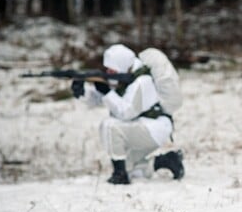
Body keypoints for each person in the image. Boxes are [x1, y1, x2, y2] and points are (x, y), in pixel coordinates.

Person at [71, 44, 184, 184]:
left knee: (109, 126)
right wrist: (82, 93)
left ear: (121, 65)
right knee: (133, 170)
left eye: (111, 70)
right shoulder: (127, 75)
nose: (108, 72)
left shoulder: (142, 81)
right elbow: (103, 99)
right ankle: (166, 160)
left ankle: (119, 175)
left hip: (154, 128)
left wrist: (107, 91)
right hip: (143, 126)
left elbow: (125, 113)